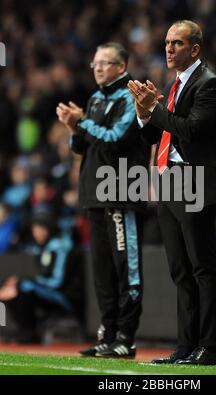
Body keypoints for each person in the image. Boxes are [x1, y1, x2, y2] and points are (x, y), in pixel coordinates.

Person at [128, 20, 216, 365]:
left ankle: (210, 348)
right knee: (180, 270)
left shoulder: (209, 85)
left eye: (178, 43)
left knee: (202, 268)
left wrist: (154, 111)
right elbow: (153, 137)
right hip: (169, 182)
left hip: (194, 181)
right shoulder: (175, 86)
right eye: (167, 42)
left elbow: (192, 131)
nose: (168, 48)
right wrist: (144, 115)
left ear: (195, 49)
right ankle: (186, 346)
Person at [56, 43, 147, 358]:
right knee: (103, 271)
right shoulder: (95, 97)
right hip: (95, 194)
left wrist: (82, 122)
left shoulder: (129, 96)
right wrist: (74, 128)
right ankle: (108, 334)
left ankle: (126, 336)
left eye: (105, 63)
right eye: (94, 63)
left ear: (121, 67)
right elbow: (82, 147)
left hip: (121, 191)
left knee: (127, 268)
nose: (97, 68)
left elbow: (115, 140)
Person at [0, 213, 84, 343]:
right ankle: (25, 330)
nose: (37, 233)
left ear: (48, 229)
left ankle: (28, 333)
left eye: (40, 229)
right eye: (35, 230)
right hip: (48, 292)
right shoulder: (42, 248)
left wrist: (29, 281)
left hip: (64, 297)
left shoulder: (59, 247)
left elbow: (57, 282)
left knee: (24, 287)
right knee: (16, 287)